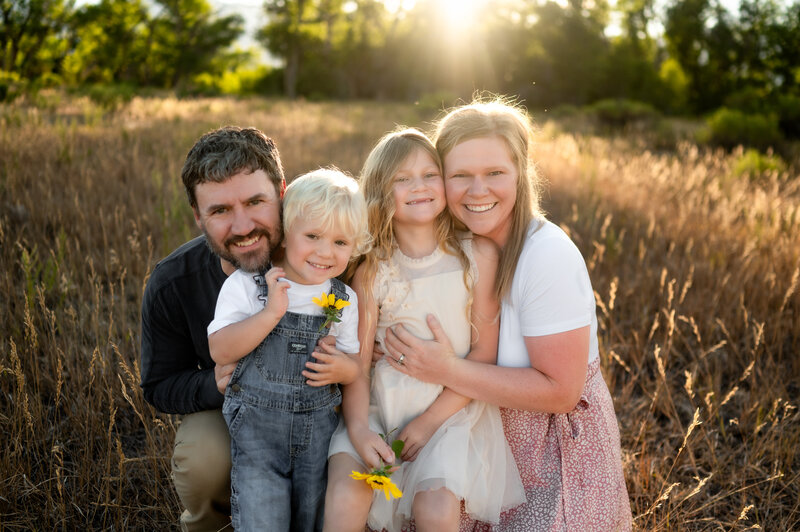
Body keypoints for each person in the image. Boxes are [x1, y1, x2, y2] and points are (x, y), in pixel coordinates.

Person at [380, 99, 633, 531]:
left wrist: (446, 369)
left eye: (495, 173)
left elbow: (561, 392)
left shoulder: (545, 254)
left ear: (521, 172)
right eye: (460, 175)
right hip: (470, 430)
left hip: (548, 450)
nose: (478, 191)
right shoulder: (449, 247)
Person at [323, 128, 525, 532]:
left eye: (430, 174)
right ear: (381, 191)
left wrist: (429, 421)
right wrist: (361, 429)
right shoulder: (372, 271)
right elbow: (359, 367)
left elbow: (483, 355)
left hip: (451, 413)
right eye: (402, 179)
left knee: (435, 510)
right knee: (347, 494)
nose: (419, 187)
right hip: (378, 408)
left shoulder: (476, 255)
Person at [207, 168, 372, 531]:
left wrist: (344, 370)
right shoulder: (251, 284)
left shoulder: (342, 299)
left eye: (341, 243)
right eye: (313, 235)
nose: (326, 252)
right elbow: (220, 349)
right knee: (262, 517)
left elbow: (353, 364)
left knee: (309, 519)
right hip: (258, 441)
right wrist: (270, 315)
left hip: (316, 439)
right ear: (285, 233)